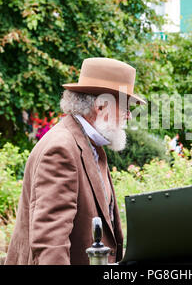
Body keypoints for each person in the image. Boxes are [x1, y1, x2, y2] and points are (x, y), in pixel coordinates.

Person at [5, 57, 146, 265]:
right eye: (125, 108)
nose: (128, 116)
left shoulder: (89, 143)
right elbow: (51, 242)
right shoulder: (61, 148)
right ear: (101, 106)